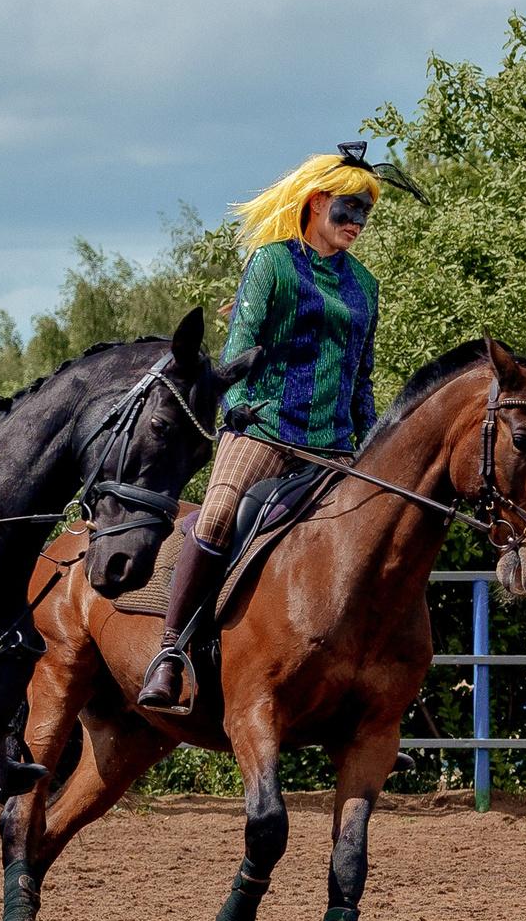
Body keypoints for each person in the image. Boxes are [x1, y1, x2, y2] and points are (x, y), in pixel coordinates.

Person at [138, 144, 390, 715]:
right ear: (316, 201)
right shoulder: (272, 263)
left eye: (364, 216)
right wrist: (239, 406)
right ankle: (170, 652)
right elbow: (240, 347)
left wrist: (373, 442)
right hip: (263, 430)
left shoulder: (366, 286)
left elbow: (361, 376)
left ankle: (364, 691)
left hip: (335, 448)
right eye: (347, 211)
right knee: (220, 514)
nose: (355, 224)